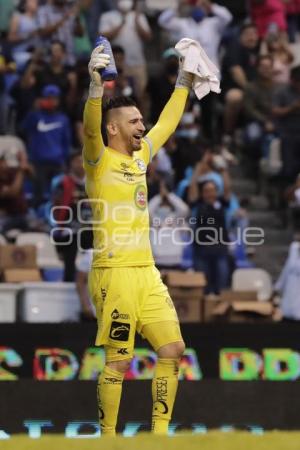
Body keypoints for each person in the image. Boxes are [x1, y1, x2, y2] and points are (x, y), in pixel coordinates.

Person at [83, 42, 197, 435]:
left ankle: (160, 436)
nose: (141, 127)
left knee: (173, 349)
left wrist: (184, 81)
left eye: (140, 121)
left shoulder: (139, 158)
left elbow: (166, 124)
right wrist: (96, 90)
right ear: (112, 127)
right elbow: (88, 127)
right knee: (119, 361)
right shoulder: (98, 160)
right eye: (133, 122)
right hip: (113, 273)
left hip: (146, 272)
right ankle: (108, 440)